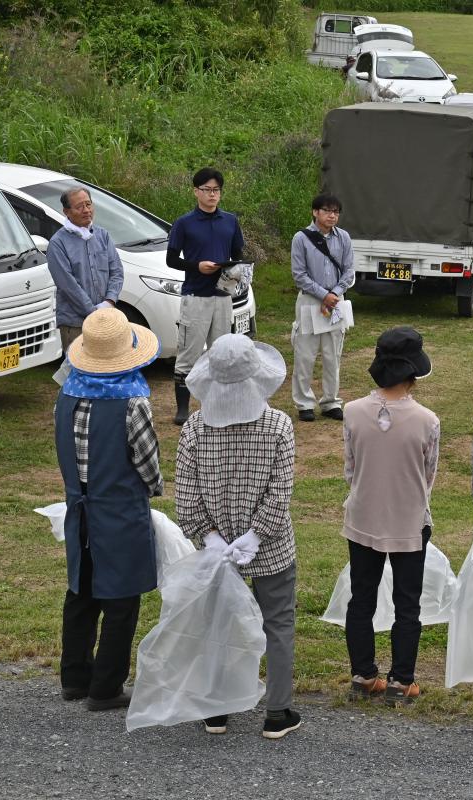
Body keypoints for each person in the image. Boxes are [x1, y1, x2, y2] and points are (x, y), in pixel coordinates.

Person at [175, 333, 301, 739]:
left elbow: (186, 495)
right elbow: (279, 494)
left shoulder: (195, 428)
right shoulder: (278, 426)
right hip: (272, 548)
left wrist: (211, 538)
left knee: (218, 625)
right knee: (278, 624)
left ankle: (217, 709)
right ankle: (278, 713)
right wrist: (257, 535)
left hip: (218, 551)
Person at [54, 308, 162, 711]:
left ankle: (74, 678)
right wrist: (154, 489)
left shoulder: (66, 392)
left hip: (78, 505)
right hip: (117, 508)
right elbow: (147, 463)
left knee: (81, 589)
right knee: (121, 598)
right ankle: (106, 687)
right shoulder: (132, 401)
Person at [341, 327, 439, 705]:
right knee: (407, 602)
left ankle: (363, 674)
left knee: (361, 598)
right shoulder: (427, 420)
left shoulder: (351, 412)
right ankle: (402, 680)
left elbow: (351, 468)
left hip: (363, 514)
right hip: (409, 519)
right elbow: (427, 476)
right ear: (413, 373)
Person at [166, 167, 245, 425]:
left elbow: (237, 255)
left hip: (222, 295)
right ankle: (182, 408)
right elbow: (171, 260)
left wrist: (234, 269)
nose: (212, 195)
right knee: (188, 352)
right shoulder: (184, 223)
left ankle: (218, 403)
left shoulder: (230, 221)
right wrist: (196, 266)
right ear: (196, 192)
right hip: (196, 295)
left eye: (216, 190)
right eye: (207, 190)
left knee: (221, 352)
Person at [290, 192, 354, 422]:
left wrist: (335, 293)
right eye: (327, 211)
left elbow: (349, 271)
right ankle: (304, 403)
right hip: (310, 300)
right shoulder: (301, 238)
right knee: (305, 353)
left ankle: (331, 401)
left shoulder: (344, 237)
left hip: (335, 302)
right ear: (315, 212)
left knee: (332, 354)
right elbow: (299, 275)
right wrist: (322, 294)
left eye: (336, 212)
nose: (332, 216)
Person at [45, 187, 125, 352]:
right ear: (67, 212)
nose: (86, 210)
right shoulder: (58, 243)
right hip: (75, 323)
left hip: (105, 317)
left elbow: (116, 271)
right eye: (79, 207)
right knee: (80, 372)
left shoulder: (103, 235)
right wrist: (93, 311)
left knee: (105, 369)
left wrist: (109, 302)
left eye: (88, 204)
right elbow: (68, 285)